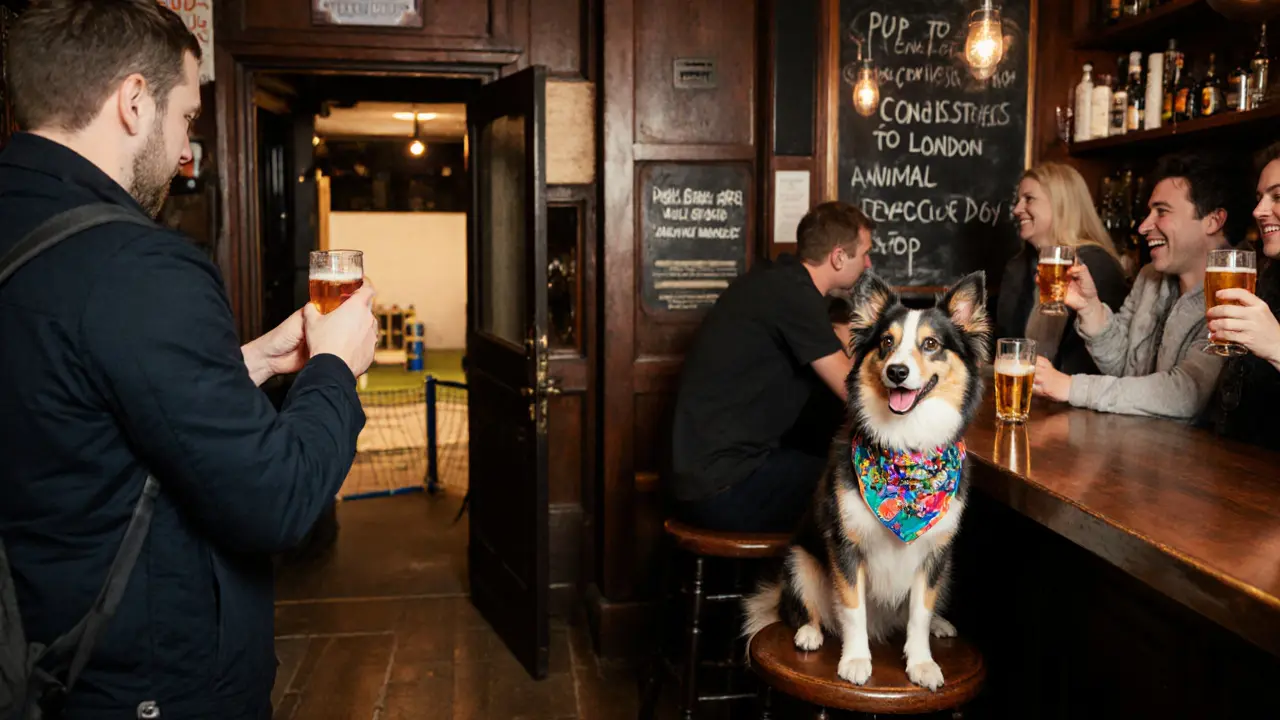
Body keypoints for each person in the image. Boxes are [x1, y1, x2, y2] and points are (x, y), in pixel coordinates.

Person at [0, 2, 378, 718]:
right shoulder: (141, 266)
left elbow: (78, 404)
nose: (184, 152)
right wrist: (334, 366)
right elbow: (279, 502)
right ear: (134, 102)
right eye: (187, 118)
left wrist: (249, 364)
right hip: (137, 686)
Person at [668, 201, 873, 533]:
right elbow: (856, 394)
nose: (868, 263)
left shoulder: (777, 283)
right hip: (725, 488)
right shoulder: (795, 297)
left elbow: (833, 337)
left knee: (837, 466)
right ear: (838, 257)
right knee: (869, 490)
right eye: (863, 253)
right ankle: (841, 586)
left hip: (703, 478)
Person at [1031, 153, 1233, 420]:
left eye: (1161, 212)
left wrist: (1071, 387)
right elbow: (1122, 365)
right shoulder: (1150, 277)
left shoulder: (1236, 290)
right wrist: (1089, 307)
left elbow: (1186, 394)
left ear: (1213, 220)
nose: (1144, 226)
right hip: (1138, 445)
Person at [996, 162, 1129, 375]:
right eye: (1018, 200)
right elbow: (1006, 345)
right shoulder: (1019, 267)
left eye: (1028, 199)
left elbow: (1096, 361)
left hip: (1074, 400)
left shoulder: (1096, 266)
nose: (1017, 209)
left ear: (1060, 204)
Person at [1202, 142, 1280, 451]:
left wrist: (1276, 345)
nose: (1258, 211)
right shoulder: (1267, 275)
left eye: (1278, 196)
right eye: (1259, 198)